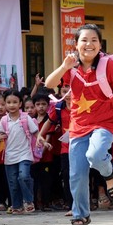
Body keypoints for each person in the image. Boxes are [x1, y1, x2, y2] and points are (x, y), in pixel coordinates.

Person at [44, 23, 113, 225]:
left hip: (105, 122)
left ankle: (108, 173)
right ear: (76, 45)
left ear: (100, 45)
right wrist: (64, 67)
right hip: (78, 126)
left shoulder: (107, 66)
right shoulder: (71, 66)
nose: (89, 44)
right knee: (76, 174)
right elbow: (49, 84)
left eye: (94, 40)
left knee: (95, 155)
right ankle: (81, 214)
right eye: (84, 40)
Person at [0, 90, 39, 214]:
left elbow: (35, 133)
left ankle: (28, 201)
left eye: (14, 102)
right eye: (8, 102)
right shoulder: (3, 121)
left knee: (23, 176)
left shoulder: (25, 118)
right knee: (13, 182)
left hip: (25, 154)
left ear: (20, 104)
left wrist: (43, 142)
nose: (11, 105)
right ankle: (17, 206)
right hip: (9, 156)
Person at [38, 85, 74, 216]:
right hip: (66, 148)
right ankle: (72, 206)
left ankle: (83, 203)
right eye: (65, 92)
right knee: (66, 175)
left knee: (80, 176)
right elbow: (49, 121)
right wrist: (40, 136)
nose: (68, 95)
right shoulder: (59, 108)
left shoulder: (82, 106)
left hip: (81, 147)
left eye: (71, 91)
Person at [31, 93, 55, 211]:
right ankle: (35, 202)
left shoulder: (50, 120)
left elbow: (48, 138)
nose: (41, 107)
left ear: (48, 105)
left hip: (46, 156)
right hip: (32, 157)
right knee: (35, 180)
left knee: (46, 180)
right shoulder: (31, 120)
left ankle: (46, 203)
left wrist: (40, 154)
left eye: (44, 104)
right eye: (38, 104)